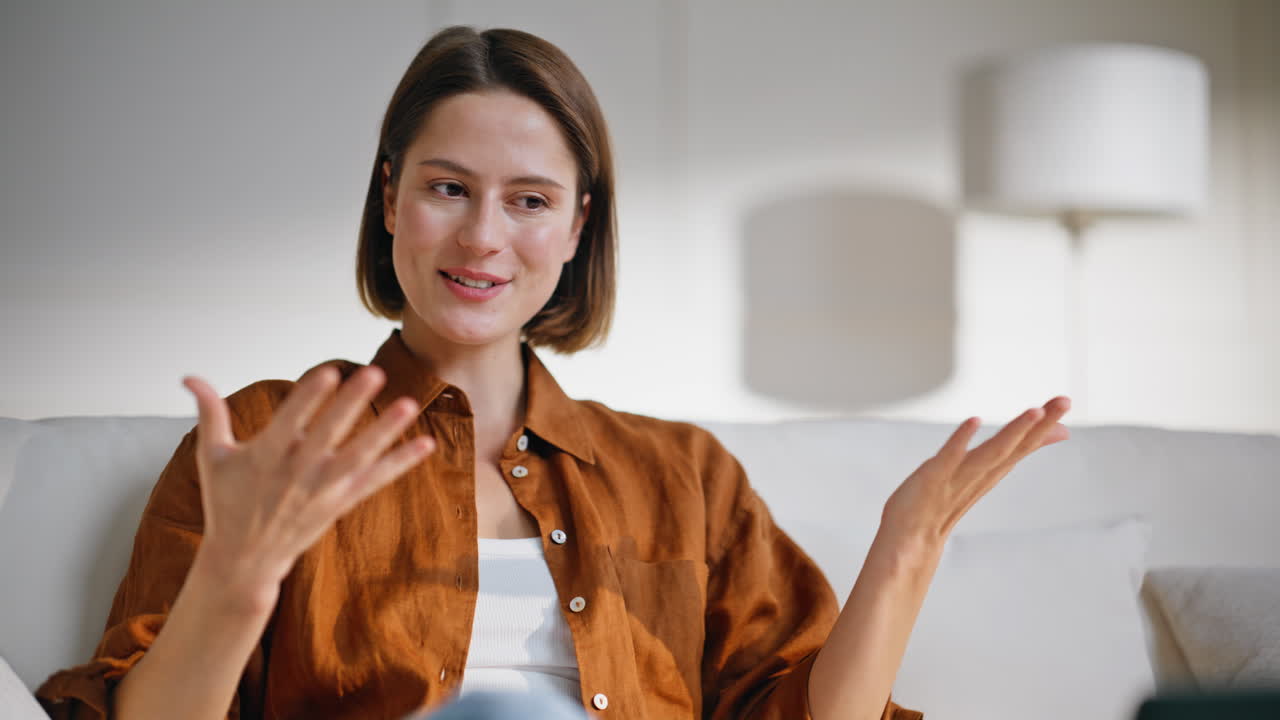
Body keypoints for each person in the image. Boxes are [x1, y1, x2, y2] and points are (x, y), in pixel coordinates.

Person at [34, 25, 1070, 720]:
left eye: (529, 201)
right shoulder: (264, 441)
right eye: (447, 188)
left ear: (577, 228)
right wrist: (238, 579)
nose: (482, 237)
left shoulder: (683, 478)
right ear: (390, 198)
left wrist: (901, 555)